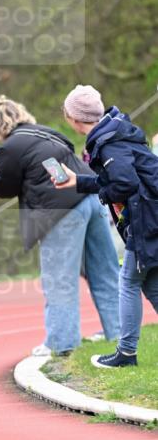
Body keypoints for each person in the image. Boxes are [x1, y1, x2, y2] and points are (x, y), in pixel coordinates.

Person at [0, 95, 120, 356]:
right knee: (105, 271)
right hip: (91, 199)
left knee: (60, 279)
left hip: (62, 211)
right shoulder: (48, 133)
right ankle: (120, 333)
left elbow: (4, 189)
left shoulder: (11, 147)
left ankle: (62, 342)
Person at [54, 84, 158, 368]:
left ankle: (126, 353)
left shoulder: (109, 142)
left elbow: (124, 184)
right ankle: (126, 352)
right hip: (149, 214)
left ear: (74, 119)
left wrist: (102, 194)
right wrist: (78, 182)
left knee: (128, 281)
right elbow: (119, 179)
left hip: (147, 218)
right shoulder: (116, 131)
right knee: (151, 285)